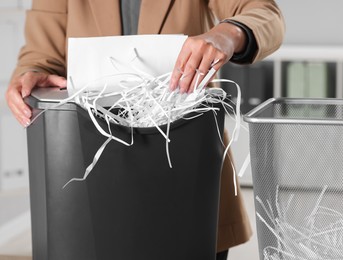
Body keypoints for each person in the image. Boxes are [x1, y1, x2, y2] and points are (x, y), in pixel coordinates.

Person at [5, 0, 285, 259]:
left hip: (188, 176)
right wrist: (30, 74)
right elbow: (41, 54)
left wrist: (226, 34)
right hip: (90, 179)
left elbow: (265, 15)